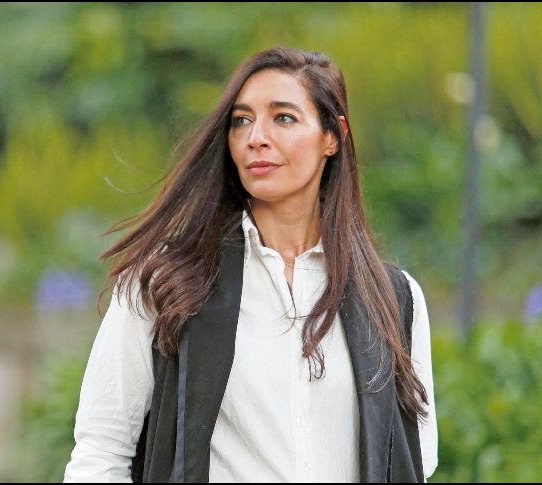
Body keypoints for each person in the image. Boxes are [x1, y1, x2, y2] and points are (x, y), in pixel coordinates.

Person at [63, 46, 437, 483]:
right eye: (242, 120)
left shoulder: (394, 297)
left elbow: (417, 459)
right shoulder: (167, 281)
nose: (256, 136)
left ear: (332, 137)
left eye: (284, 118)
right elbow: (100, 454)